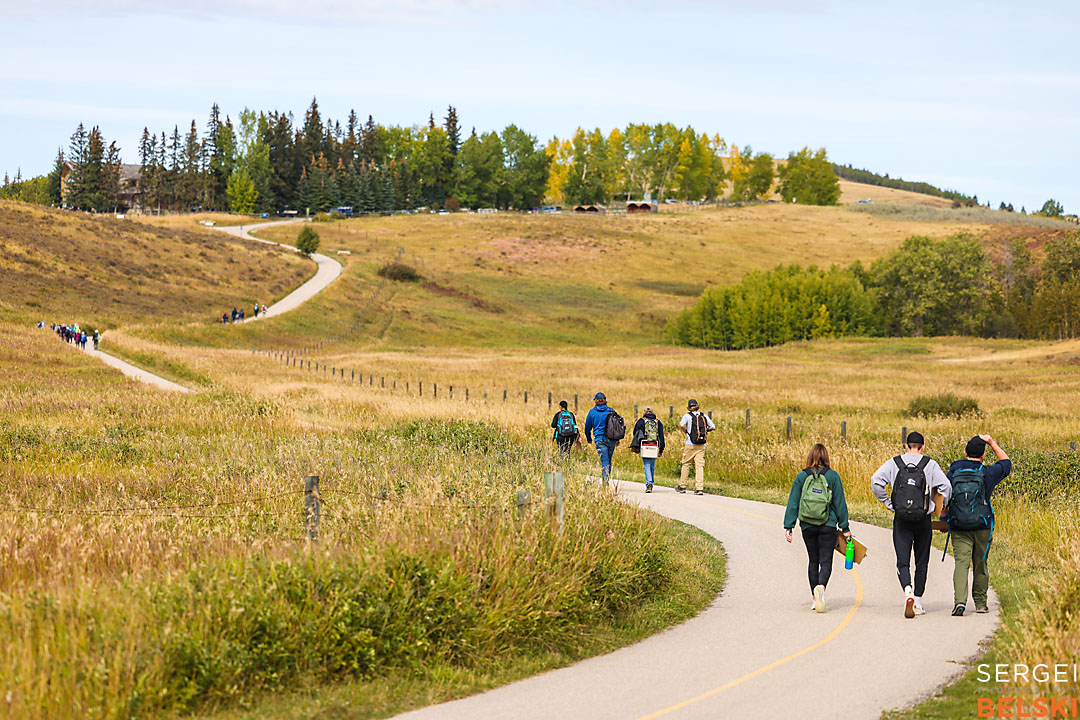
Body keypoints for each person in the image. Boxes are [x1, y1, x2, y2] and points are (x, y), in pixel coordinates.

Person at [871, 431, 952, 618]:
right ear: (923, 447)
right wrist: (940, 507)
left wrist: (888, 503)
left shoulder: (894, 463)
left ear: (906, 446)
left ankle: (907, 590)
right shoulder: (930, 464)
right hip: (923, 519)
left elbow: (875, 481)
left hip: (901, 520)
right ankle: (917, 600)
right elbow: (946, 487)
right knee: (922, 562)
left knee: (902, 561)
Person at [945, 435, 1011, 617]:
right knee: (980, 564)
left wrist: (943, 515)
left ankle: (959, 602)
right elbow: (1006, 462)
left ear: (965, 452)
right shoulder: (987, 472)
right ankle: (981, 603)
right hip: (983, 525)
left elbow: (942, 492)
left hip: (959, 525)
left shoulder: (953, 472)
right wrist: (992, 442)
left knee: (961, 563)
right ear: (983, 455)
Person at [784, 443, 851, 613]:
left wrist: (789, 526)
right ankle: (821, 587)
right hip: (827, 525)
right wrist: (845, 527)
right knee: (825, 561)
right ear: (826, 457)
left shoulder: (802, 476)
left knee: (813, 560)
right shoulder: (833, 476)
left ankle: (814, 598)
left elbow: (793, 501)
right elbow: (840, 503)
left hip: (807, 525)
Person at [677, 399, 715, 495]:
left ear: (689, 408)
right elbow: (713, 426)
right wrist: (706, 431)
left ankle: (682, 486)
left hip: (690, 443)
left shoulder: (687, 416)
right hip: (701, 444)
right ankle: (699, 488)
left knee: (686, 464)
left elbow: (681, 425)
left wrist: (686, 431)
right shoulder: (703, 416)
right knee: (699, 466)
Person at [584, 392, 619, 485]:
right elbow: (617, 426)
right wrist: (617, 439)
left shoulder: (592, 412)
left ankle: (605, 483)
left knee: (604, 461)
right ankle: (606, 480)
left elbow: (587, 427)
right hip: (611, 439)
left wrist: (588, 438)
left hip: (599, 439)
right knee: (608, 461)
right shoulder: (611, 410)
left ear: (595, 401)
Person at [630, 407, 665, 493]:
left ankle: (649, 483)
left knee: (646, 465)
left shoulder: (641, 421)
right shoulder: (658, 422)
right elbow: (661, 436)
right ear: (653, 412)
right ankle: (651, 483)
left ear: (644, 412)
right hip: (655, 445)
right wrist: (661, 449)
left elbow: (635, 433)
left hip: (645, 444)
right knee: (652, 465)